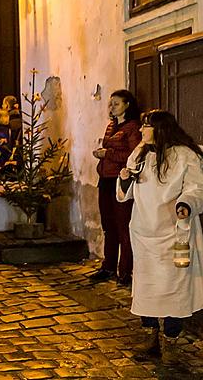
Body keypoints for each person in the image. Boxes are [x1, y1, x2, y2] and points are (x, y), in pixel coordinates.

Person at [117, 110, 203, 363]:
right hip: (145, 231)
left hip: (174, 232)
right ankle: (150, 338)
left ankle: (171, 341)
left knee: (175, 287)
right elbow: (127, 192)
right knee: (147, 287)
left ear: (161, 129)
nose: (142, 131)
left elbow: (197, 187)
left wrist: (185, 204)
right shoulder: (140, 154)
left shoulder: (185, 156)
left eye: (146, 126)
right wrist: (123, 180)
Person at [90, 90, 142, 285]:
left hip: (120, 180)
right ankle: (108, 266)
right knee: (108, 225)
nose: (111, 107)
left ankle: (125, 271)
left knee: (122, 225)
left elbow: (133, 155)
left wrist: (107, 154)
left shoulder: (132, 127)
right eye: (110, 104)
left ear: (127, 105)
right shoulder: (111, 125)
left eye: (116, 104)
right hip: (105, 178)